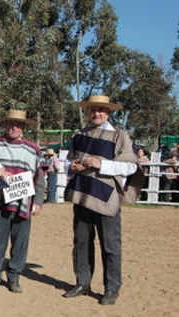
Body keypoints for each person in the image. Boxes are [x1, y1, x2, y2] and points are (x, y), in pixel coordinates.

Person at [63, 95, 142, 305]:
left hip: (107, 199)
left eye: (100, 110)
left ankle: (111, 288)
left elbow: (131, 166)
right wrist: (70, 168)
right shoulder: (79, 135)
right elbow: (68, 161)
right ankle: (82, 282)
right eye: (92, 110)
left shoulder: (119, 136)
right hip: (81, 195)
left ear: (108, 112)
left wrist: (102, 164)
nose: (95, 113)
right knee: (81, 241)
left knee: (110, 245)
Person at [0, 110, 45, 292]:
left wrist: (39, 201)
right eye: (11, 123)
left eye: (18, 124)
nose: (14, 127)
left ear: (23, 127)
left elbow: (39, 177)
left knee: (20, 241)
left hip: (24, 202)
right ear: (6, 125)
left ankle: (14, 276)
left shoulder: (33, 149)